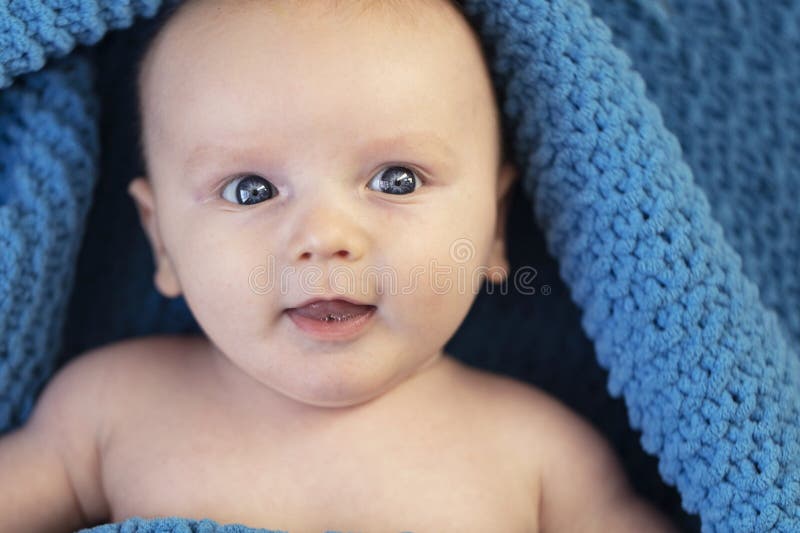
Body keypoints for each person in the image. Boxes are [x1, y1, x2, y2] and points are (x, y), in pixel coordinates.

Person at [0, 1, 680, 531]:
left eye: (397, 179)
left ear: (494, 227)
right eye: (251, 190)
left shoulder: (539, 457)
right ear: (164, 243)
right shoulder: (108, 412)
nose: (325, 238)